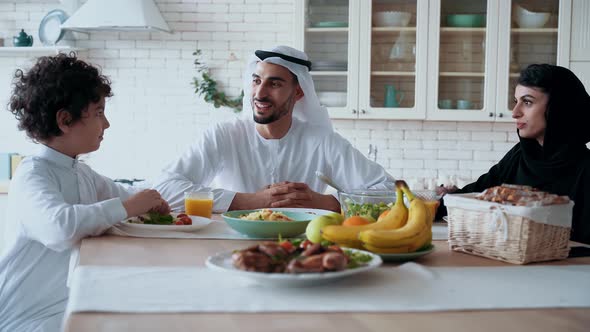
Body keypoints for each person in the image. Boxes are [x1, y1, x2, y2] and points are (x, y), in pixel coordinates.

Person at [0, 54, 170, 331]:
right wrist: (129, 207)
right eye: (99, 113)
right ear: (65, 120)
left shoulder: (80, 172)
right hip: (25, 320)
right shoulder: (32, 175)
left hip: (64, 308)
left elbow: (129, 193)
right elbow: (60, 228)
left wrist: (155, 200)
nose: (106, 125)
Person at [153, 45, 393, 213]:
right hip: (228, 241)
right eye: (257, 81)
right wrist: (252, 200)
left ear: (298, 93)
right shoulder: (224, 135)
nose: (260, 93)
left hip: (305, 245)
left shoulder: (322, 141)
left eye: (274, 83)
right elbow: (164, 188)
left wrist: (327, 202)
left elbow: (392, 192)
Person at [438, 64, 590, 245]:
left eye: (527, 102)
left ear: (558, 109)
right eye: (516, 101)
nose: (515, 112)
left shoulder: (586, 169)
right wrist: (437, 204)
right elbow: (481, 190)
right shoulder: (520, 155)